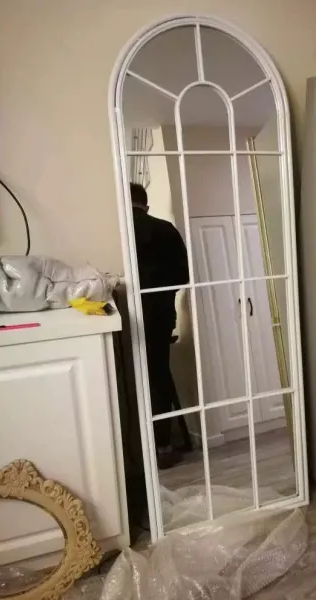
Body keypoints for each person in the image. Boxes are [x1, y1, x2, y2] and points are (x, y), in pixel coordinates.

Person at [130, 183, 189, 469]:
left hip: (128, 317)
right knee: (158, 374)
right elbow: (183, 275)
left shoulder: (119, 230)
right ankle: (163, 444)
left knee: (128, 378)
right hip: (160, 315)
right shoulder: (165, 229)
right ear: (146, 205)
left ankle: (132, 448)